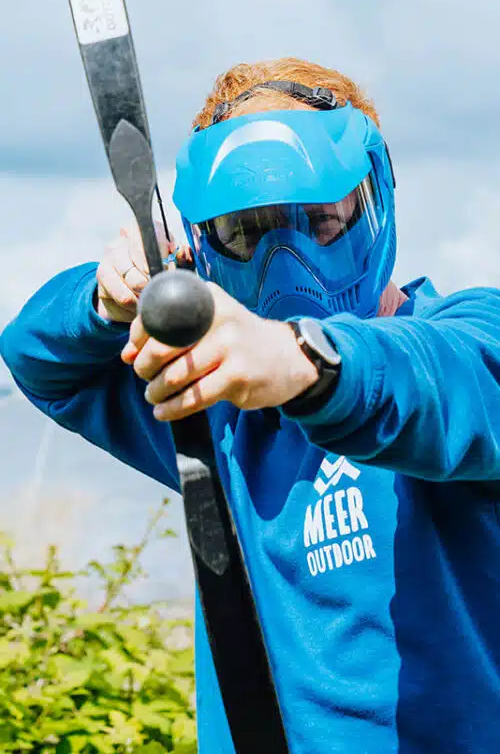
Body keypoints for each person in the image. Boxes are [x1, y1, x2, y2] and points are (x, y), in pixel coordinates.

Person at [2, 56, 500, 754]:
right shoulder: (215, 398)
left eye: (319, 222)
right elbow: (38, 359)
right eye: (248, 233)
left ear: (374, 200)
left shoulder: (469, 335)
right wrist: (109, 297)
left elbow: (443, 380)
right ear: (203, 244)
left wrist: (304, 362)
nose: (288, 261)